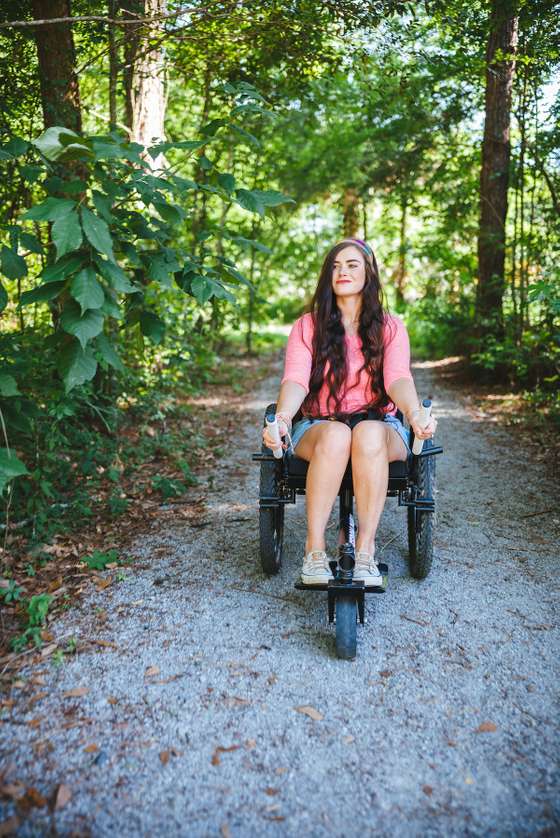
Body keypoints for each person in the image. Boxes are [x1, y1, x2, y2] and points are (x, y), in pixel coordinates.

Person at [262, 237, 438, 586]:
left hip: (380, 425)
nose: (342, 271)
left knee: (368, 431)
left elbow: (397, 378)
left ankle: (366, 553)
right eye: (335, 265)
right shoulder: (307, 326)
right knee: (338, 433)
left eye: (352, 264)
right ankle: (314, 551)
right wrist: (281, 419)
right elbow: (296, 380)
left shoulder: (389, 327)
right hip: (319, 425)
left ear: (369, 274)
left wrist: (415, 412)